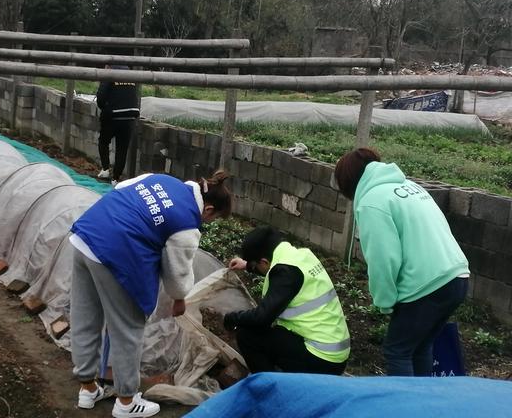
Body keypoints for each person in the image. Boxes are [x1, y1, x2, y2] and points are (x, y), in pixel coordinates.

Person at [69, 170, 232, 417]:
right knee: (127, 329)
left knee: (85, 317)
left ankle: (88, 388)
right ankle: (126, 403)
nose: (208, 223)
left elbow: (121, 189)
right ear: (208, 210)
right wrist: (179, 299)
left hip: (86, 235)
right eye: (214, 219)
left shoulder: (160, 178)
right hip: (116, 254)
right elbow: (177, 276)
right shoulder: (187, 223)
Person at [333, 148, 470, 376]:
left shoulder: (372, 201)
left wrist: (384, 301)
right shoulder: (411, 187)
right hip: (457, 276)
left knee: (397, 351)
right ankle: (420, 405)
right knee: (419, 347)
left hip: (427, 284)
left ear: (348, 181)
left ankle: (405, 406)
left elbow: (383, 258)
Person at [225, 226, 350, 375]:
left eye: (255, 265)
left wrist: (232, 318)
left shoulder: (286, 273)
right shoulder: (300, 257)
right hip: (335, 351)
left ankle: (269, 389)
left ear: (264, 261)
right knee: (271, 336)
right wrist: (247, 265)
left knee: (247, 335)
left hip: (322, 361)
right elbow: (276, 271)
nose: (255, 268)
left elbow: (261, 318)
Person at [96, 64, 139, 186]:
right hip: (129, 117)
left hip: (113, 116)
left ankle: (105, 170)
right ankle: (115, 179)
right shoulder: (130, 77)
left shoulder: (109, 75)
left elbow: (101, 98)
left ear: (108, 66)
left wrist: (106, 109)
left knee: (103, 141)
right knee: (122, 149)